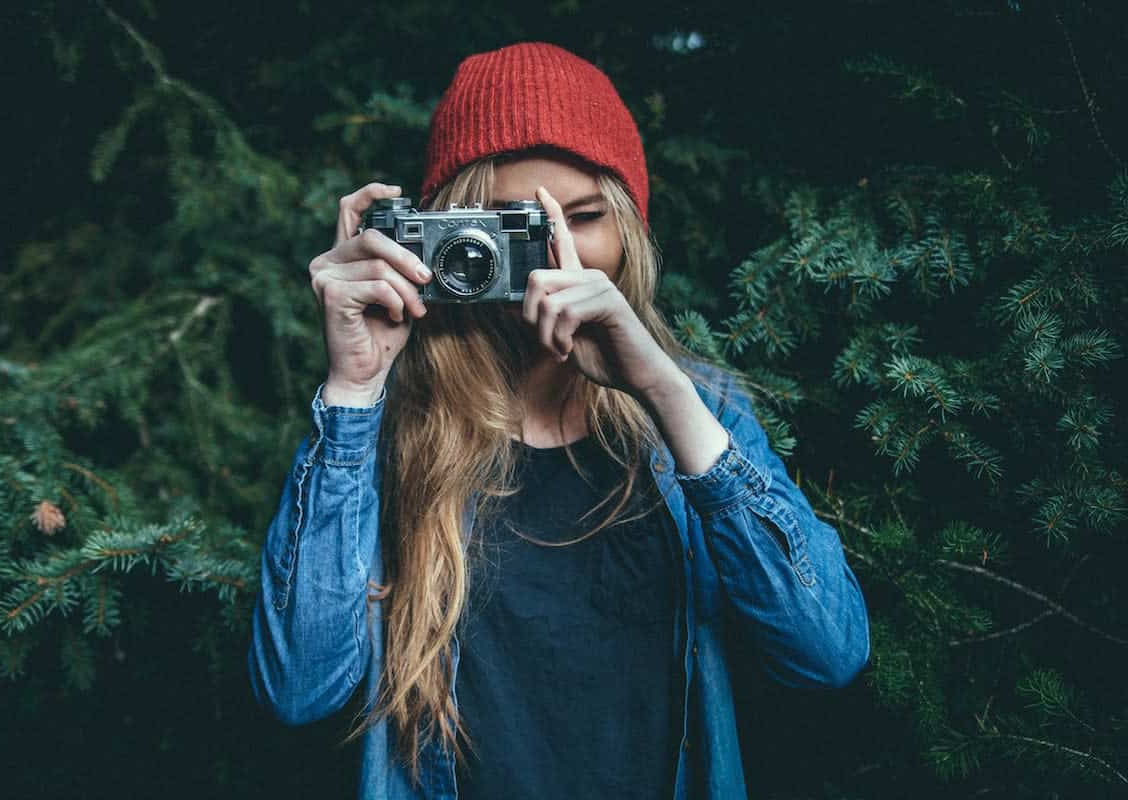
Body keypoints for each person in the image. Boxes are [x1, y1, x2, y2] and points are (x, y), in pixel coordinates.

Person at [248, 41, 871, 799]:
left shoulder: (698, 413)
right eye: (514, 228)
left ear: (631, 231)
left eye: (583, 218)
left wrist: (663, 392)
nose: (556, 259)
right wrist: (352, 391)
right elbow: (297, 688)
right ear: (447, 242)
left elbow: (828, 650)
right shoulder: (385, 427)